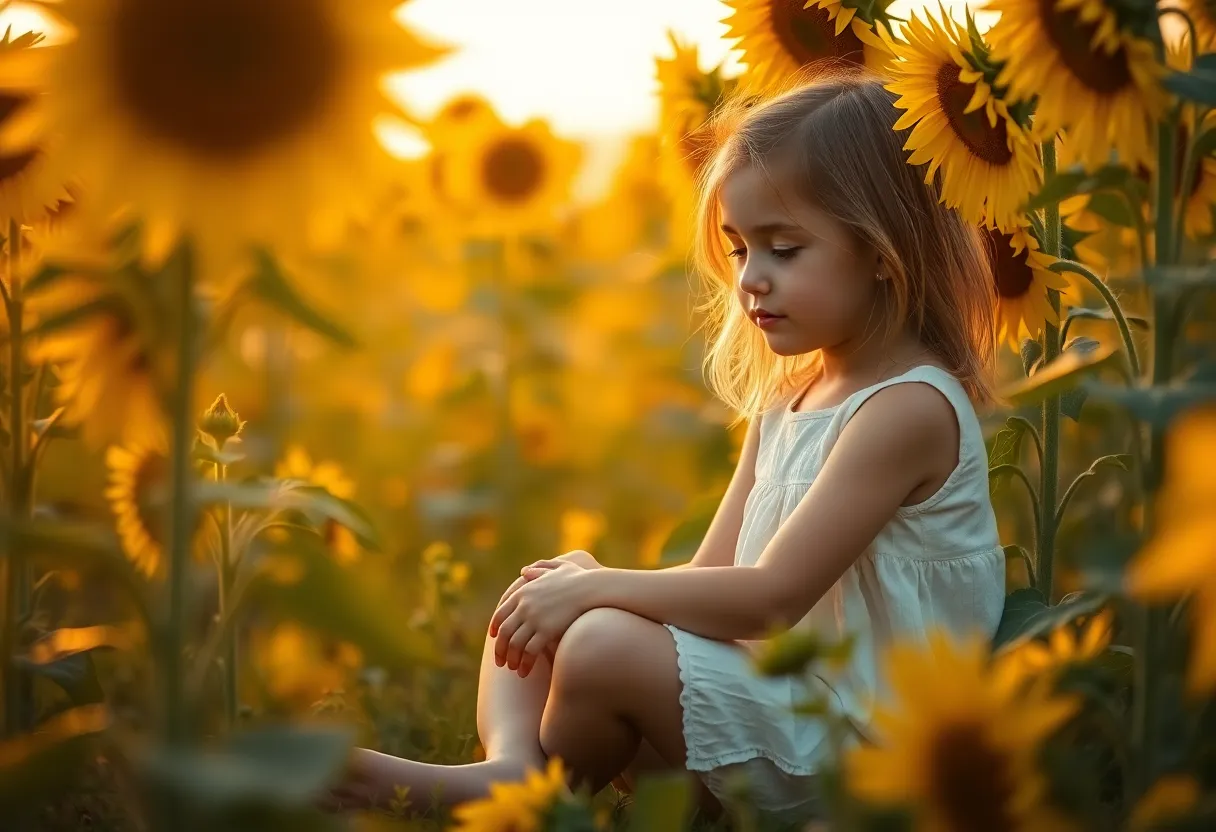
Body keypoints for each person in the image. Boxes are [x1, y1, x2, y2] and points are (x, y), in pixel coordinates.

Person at [325, 70, 1005, 824]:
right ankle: (510, 771)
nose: (751, 280)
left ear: (883, 249)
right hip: (771, 703)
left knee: (598, 641)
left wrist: (600, 590)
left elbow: (772, 600)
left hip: (864, 755)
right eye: (740, 248)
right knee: (541, 596)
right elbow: (710, 580)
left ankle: (525, 806)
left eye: (784, 249)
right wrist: (581, 582)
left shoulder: (907, 408)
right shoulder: (792, 401)